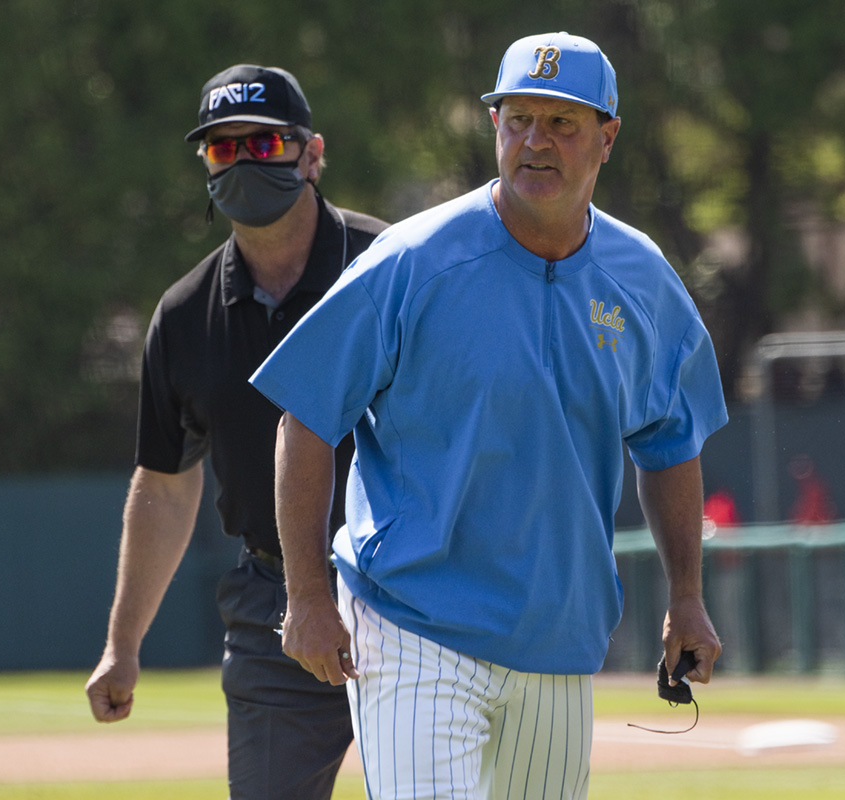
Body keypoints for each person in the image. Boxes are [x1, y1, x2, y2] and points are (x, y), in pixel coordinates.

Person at [250, 32, 727, 798]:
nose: (535, 142)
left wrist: (686, 596)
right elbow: (305, 417)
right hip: (412, 623)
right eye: (517, 119)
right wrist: (307, 595)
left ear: (607, 138)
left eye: (562, 123)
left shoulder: (644, 281)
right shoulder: (416, 260)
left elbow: (670, 441)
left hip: (557, 640)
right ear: (494, 127)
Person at [83, 64, 388, 800]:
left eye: (264, 144)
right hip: (272, 605)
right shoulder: (185, 315)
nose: (244, 162)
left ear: (311, 154)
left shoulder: (389, 266)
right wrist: (122, 648)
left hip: (410, 591)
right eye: (223, 150)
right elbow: (163, 484)